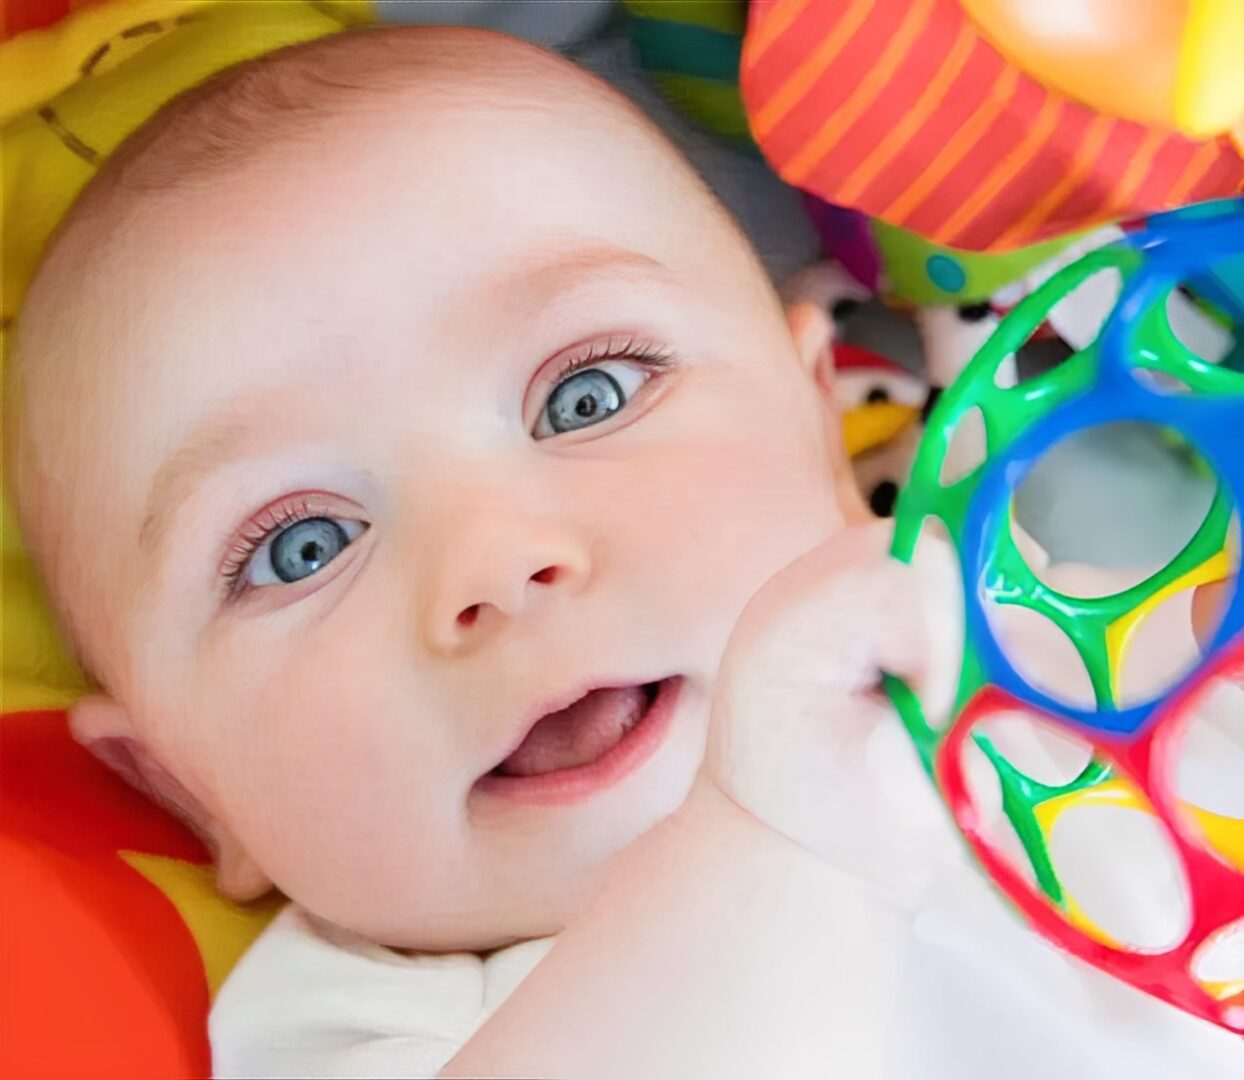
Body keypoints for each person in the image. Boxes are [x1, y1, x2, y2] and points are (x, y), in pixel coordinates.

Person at [6, 25, 1239, 1079]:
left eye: (588, 396)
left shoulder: (1049, 648)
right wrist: (771, 839)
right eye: (302, 548)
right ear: (182, 786)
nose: (491, 563)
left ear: (819, 412)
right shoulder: (358, 1020)